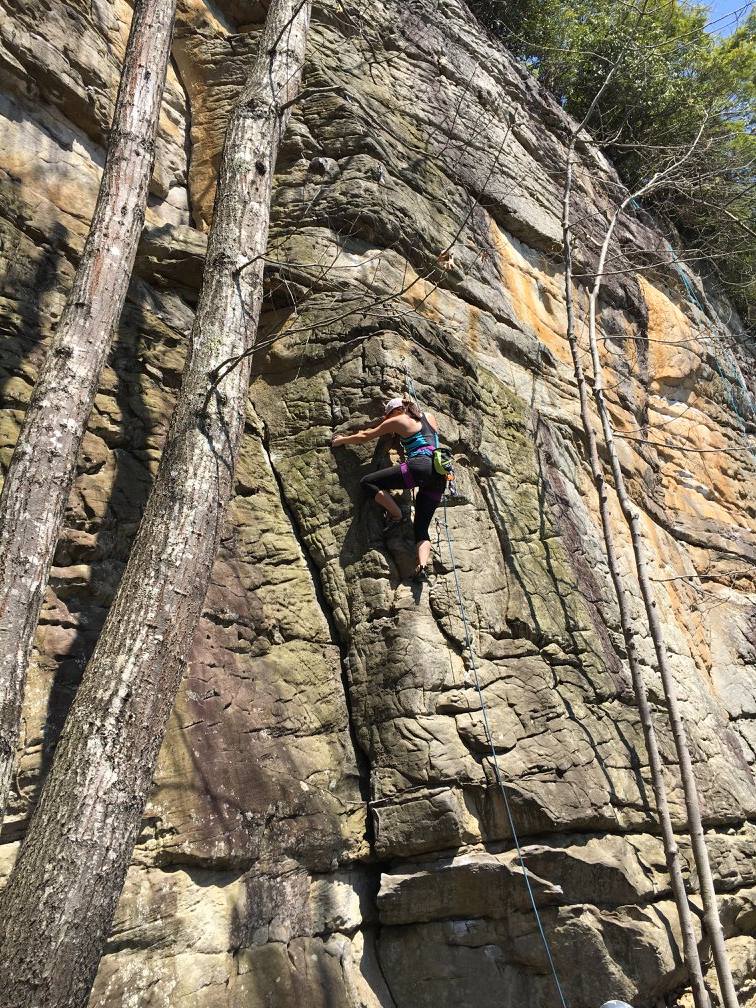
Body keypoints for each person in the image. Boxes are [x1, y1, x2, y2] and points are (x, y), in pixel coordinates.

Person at [331, 396, 447, 576]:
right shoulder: (429, 416)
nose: (387, 420)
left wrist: (341, 440)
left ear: (395, 411)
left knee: (367, 482)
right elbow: (424, 437)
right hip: (440, 474)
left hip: (419, 467)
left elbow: (365, 436)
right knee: (421, 527)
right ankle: (422, 566)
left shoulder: (398, 419)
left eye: (387, 415)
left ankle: (396, 513)